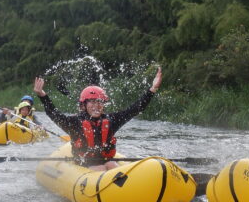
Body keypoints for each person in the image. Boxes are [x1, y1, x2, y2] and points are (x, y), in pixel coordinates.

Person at [33, 67, 163, 171]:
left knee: (111, 165)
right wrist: (42, 96)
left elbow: (135, 109)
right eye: (92, 102)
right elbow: (54, 114)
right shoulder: (74, 123)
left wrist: (152, 89)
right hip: (84, 164)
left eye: (100, 102)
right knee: (101, 167)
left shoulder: (111, 120)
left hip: (106, 160)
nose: (97, 106)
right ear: (84, 105)